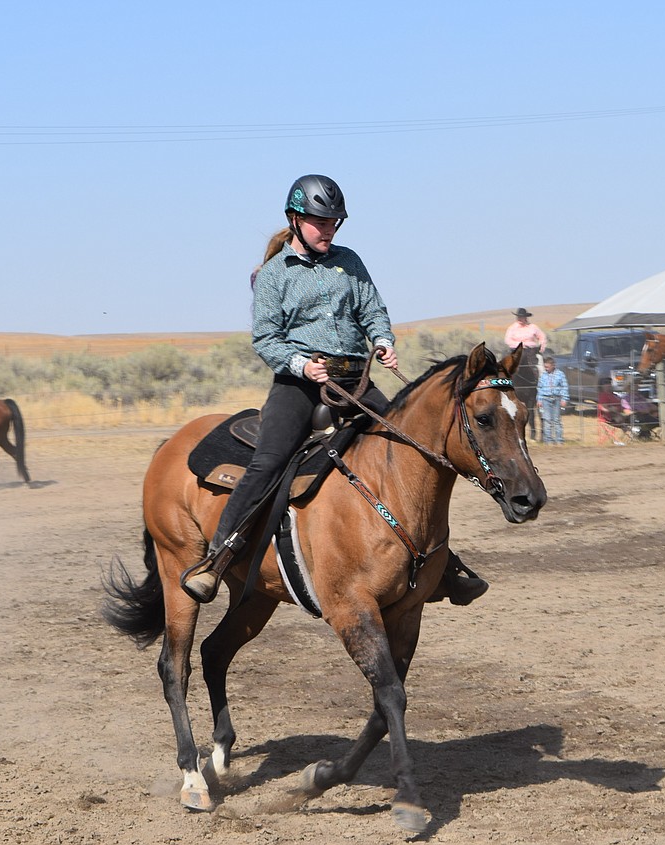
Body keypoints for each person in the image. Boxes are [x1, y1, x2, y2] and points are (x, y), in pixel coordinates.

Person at [181, 174, 487, 607]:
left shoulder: (350, 261)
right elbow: (266, 338)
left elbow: (371, 308)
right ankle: (218, 557)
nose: (329, 230)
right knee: (268, 462)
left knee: (413, 449)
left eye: (334, 223)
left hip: (356, 382)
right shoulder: (273, 275)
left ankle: (445, 563)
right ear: (295, 218)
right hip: (300, 385)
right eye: (321, 222)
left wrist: (382, 339)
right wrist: (302, 365)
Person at [535, 356, 568, 444]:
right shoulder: (543, 375)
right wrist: (539, 399)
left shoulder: (560, 374)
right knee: (547, 420)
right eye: (545, 367)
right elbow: (540, 388)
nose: (546, 369)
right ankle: (548, 441)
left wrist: (564, 399)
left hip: (556, 399)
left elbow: (564, 387)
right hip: (545, 399)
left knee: (557, 420)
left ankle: (559, 440)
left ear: (553, 365)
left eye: (547, 367)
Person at [596, 377, 627, 446]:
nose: (608, 385)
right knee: (622, 419)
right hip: (609, 417)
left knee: (632, 417)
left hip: (619, 415)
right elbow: (603, 408)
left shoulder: (613, 395)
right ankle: (618, 440)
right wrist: (612, 409)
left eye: (609, 383)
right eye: (605, 383)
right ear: (601, 386)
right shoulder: (603, 395)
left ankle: (626, 437)